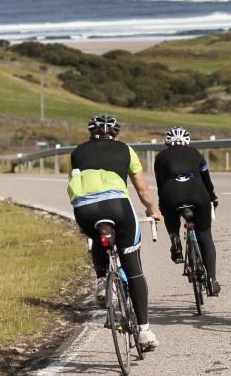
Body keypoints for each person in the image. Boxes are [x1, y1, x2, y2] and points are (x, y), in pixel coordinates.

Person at [67, 113, 161, 349]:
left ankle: (101, 281)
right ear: (116, 135)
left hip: (84, 208)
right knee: (134, 270)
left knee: (97, 237)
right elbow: (142, 190)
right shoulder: (125, 150)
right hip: (117, 205)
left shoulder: (78, 152)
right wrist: (153, 211)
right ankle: (144, 331)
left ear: (90, 134)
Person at [154, 126, 221, 296]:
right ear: (187, 141)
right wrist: (213, 197)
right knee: (205, 234)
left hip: (171, 193)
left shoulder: (160, 157)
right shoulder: (196, 153)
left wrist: (163, 205)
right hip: (198, 193)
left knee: (170, 211)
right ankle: (212, 280)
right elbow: (207, 180)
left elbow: (160, 185)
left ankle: (175, 240)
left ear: (167, 142)